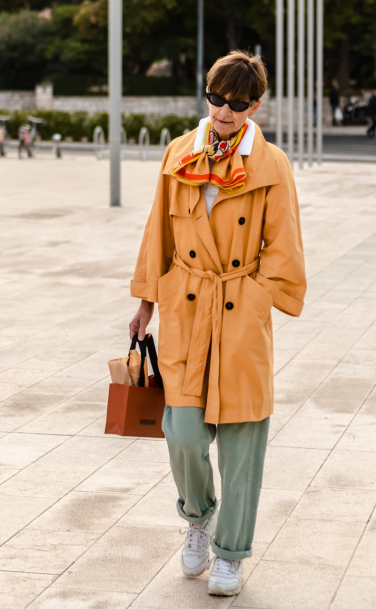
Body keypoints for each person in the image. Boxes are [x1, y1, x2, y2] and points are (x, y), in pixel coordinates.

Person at [129, 51, 306, 597]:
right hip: (184, 307)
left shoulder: (271, 164)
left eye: (236, 103)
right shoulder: (180, 153)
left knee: (241, 444)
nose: (224, 111)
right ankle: (198, 518)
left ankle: (230, 553)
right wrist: (145, 302)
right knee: (180, 432)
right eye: (215, 98)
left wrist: (257, 296)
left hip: (239, 312)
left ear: (255, 105)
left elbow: (285, 243)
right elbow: (158, 227)